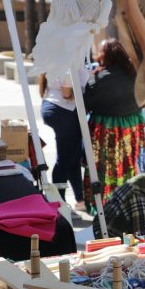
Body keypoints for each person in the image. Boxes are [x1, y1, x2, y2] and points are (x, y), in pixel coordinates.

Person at [83, 39, 145, 214]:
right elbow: (142, 100)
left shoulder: (97, 78)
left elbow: (87, 103)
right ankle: (127, 200)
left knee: (103, 168)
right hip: (130, 127)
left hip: (105, 129)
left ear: (104, 56)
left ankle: (102, 204)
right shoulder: (134, 75)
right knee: (128, 165)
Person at [39, 69, 89, 211]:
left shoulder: (52, 59)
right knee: (66, 159)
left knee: (73, 157)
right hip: (64, 109)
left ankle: (79, 201)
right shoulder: (66, 59)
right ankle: (59, 203)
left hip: (55, 107)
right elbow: (66, 90)